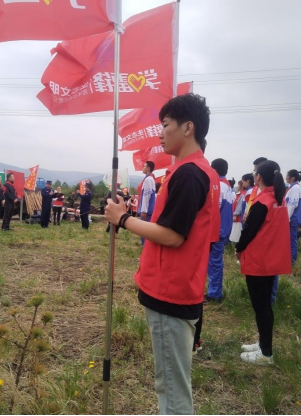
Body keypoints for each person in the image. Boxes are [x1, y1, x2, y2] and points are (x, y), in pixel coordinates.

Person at [105, 93, 218, 415]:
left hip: (171, 291)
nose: (160, 134)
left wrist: (123, 219)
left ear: (188, 128)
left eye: (165, 125)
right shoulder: (198, 171)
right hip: (179, 285)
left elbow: (172, 235)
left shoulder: (189, 174)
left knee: (171, 387)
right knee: (171, 380)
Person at [235, 161, 291, 365]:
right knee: (265, 305)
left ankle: (266, 354)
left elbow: (249, 230)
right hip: (270, 258)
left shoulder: (263, 201)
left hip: (259, 259)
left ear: (258, 177)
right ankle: (263, 343)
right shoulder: (278, 198)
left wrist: (239, 247)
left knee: (261, 307)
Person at [206, 158, 234, 303]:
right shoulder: (227, 187)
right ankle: (214, 291)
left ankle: (214, 294)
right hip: (223, 230)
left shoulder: (218, 186)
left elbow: (213, 210)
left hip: (216, 231)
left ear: (213, 169)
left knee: (214, 263)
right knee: (215, 262)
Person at [286, 170, 301, 264]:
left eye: (287, 175)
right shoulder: (291, 187)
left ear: (292, 177)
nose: (286, 177)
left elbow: (292, 205)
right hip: (291, 217)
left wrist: (287, 218)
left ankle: (292, 260)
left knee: (292, 239)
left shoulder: (296, 188)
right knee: (289, 239)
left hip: (292, 218)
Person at [138, 162, 157, 245]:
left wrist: (144, 211)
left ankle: (145, 250)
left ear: (148, 168)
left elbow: (146, 196)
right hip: (148, 211)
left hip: (146, 212)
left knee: (144, 234)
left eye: (144, 166)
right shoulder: (150, 179)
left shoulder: (148, 179)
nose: (143, 168)